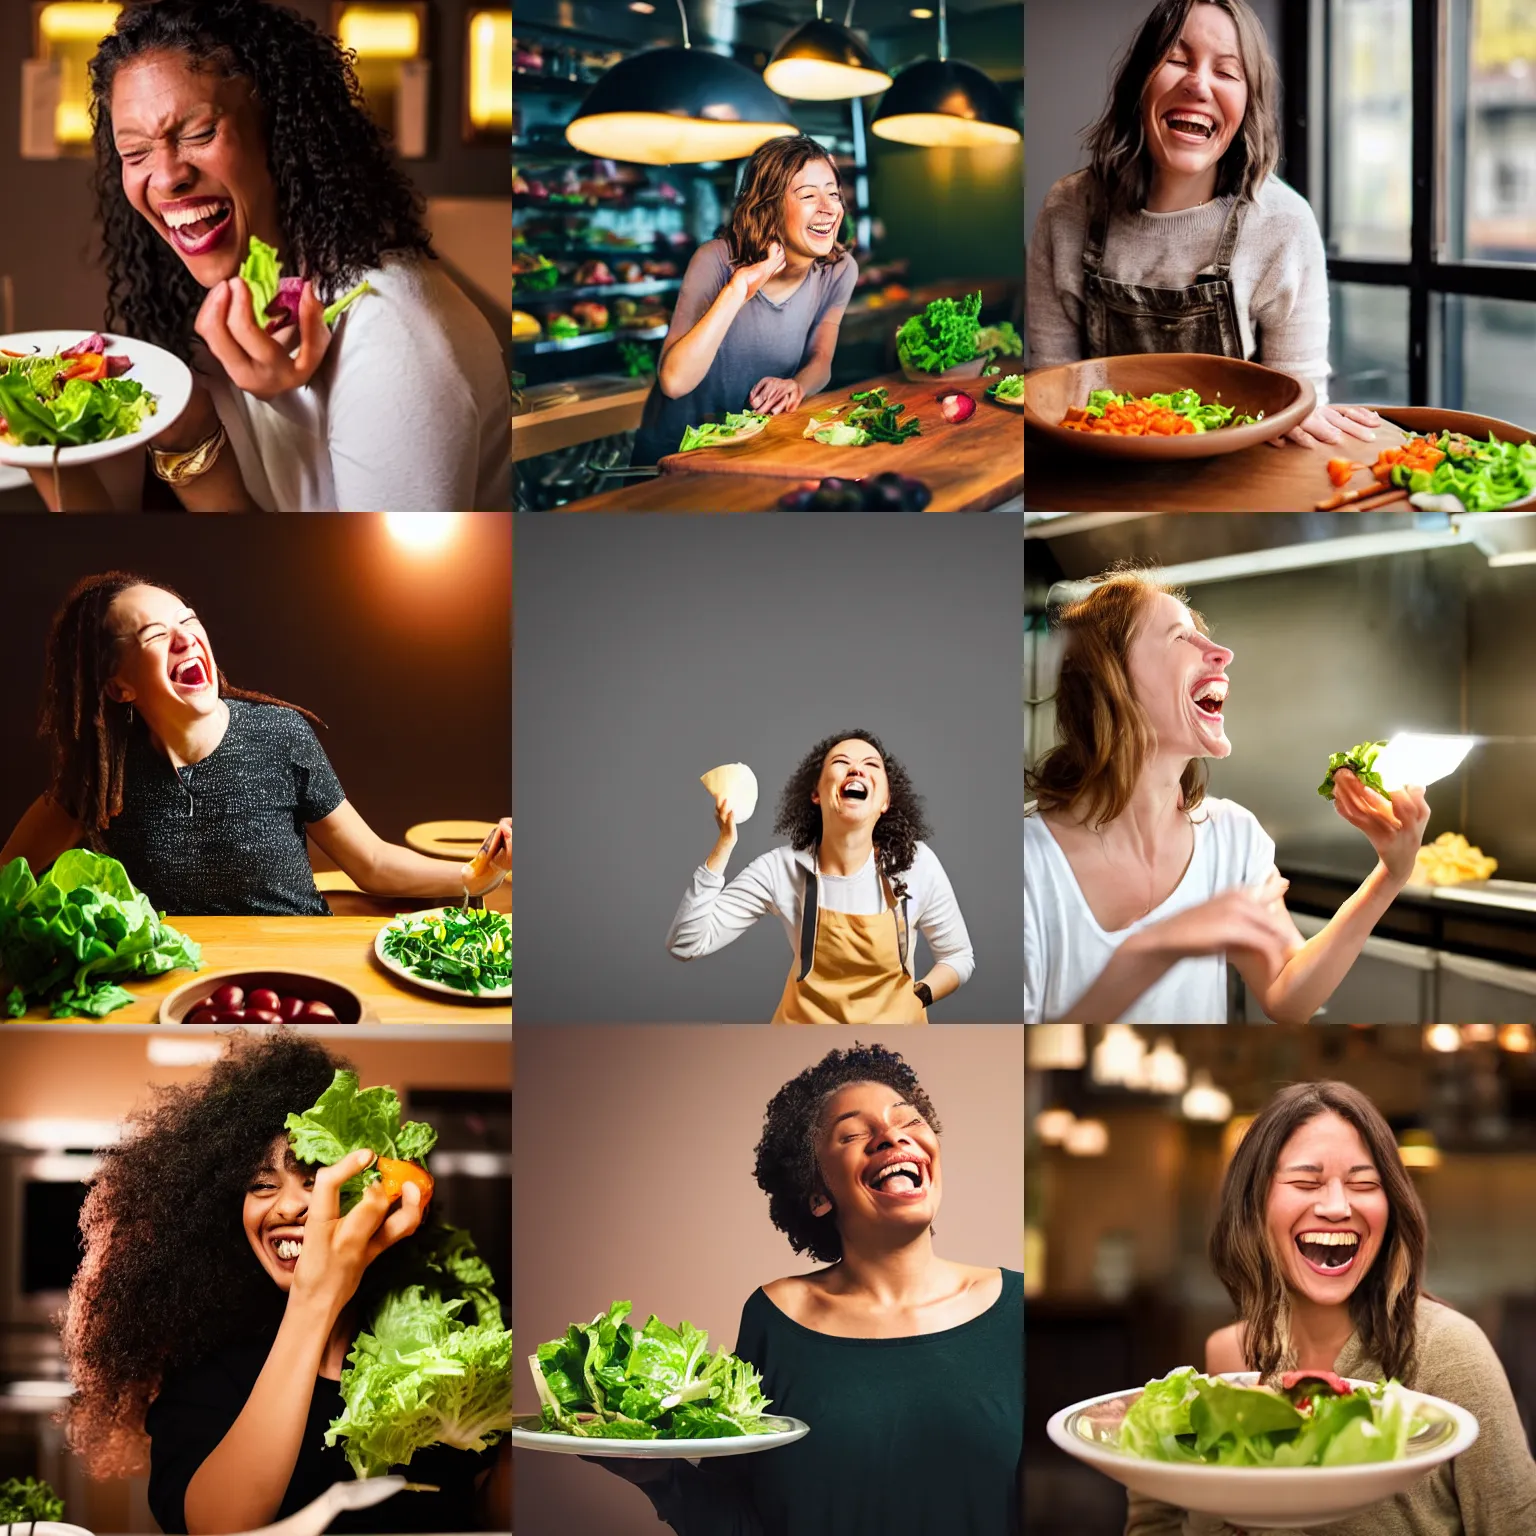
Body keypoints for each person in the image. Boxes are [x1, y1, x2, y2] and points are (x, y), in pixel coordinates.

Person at [30, 0, 509, 512]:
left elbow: (348, 586)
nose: (167, 177)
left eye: (199, 134)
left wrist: (195, 442)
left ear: (281, 134)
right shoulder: (231, 298)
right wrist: (34, 439)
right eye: (135, 153)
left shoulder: (392, 336)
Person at [60, 1031, 512, 1532]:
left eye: (316, 1179)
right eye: (261, 1185)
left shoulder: (438, 1348)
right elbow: (216, 1529)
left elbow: (484, 1512)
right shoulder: (206, 1367)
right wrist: (315, 1298)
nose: (290, 1205)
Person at [597, 1043, 1023, 1535]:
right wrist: (659, 1477)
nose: (890, 1136)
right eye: (854, 1135)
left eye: (908, 1122)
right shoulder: (776, 1316)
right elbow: (742, 1522)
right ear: (819, 1195)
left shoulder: (1015, 1310)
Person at [1128, 1080, 1536, 1533]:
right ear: (1254, 1203)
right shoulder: (1229, 1357)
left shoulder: (1450, 1353)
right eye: (1307, 1181)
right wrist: (1151, 1482)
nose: (1338, 1206)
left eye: (1364, 1184)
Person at [1023, 573, 1429, 1023]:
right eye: (1180, 637)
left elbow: (1286, 993)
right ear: (1110, 678)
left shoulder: (1233, 837)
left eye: (1205, 637)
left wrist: (1390, 876)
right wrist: (1155, 947)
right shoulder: (1024, 861)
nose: (1222, 655)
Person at [0, 573, 511, 915]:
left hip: (302, 982)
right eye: (155, 634)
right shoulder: (100, 776)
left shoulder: (280, 734)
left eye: (189, 620)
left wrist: (477, 875)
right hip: (180, 1005)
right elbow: (9, 877)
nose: (184, 639)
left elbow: (372, 863)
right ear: (118, 686)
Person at [1027, 0, 1381, 451]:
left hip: (1236, 476)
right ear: (1140, 81)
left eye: (1227, 72)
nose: (1197, 85)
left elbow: (1298, 406)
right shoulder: (1067, 210)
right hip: (1097, 470)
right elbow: (1049, 396)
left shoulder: (1284, 223)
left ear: (1248, 104)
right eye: (1176, 60)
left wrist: (1306, 412)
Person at [667, 731, 973, 1022]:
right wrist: (724, 845)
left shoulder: (915, 864)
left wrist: (917, 997)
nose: (856, 770)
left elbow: (958, 956)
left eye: (871, 765)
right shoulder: (781, 869)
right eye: (841, 762)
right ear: (816, 793)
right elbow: (686, 944)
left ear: (885, 801)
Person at [632, 135, 857, 464]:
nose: (828, 208)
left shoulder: (837, 270)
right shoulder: (716, 260)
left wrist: (796, 386)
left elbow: (821, 359)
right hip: (675, 455)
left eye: (833, 193)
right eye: (808, 195)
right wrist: (737, 289)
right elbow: (674, 382)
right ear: (771, 206)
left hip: (751, 450)